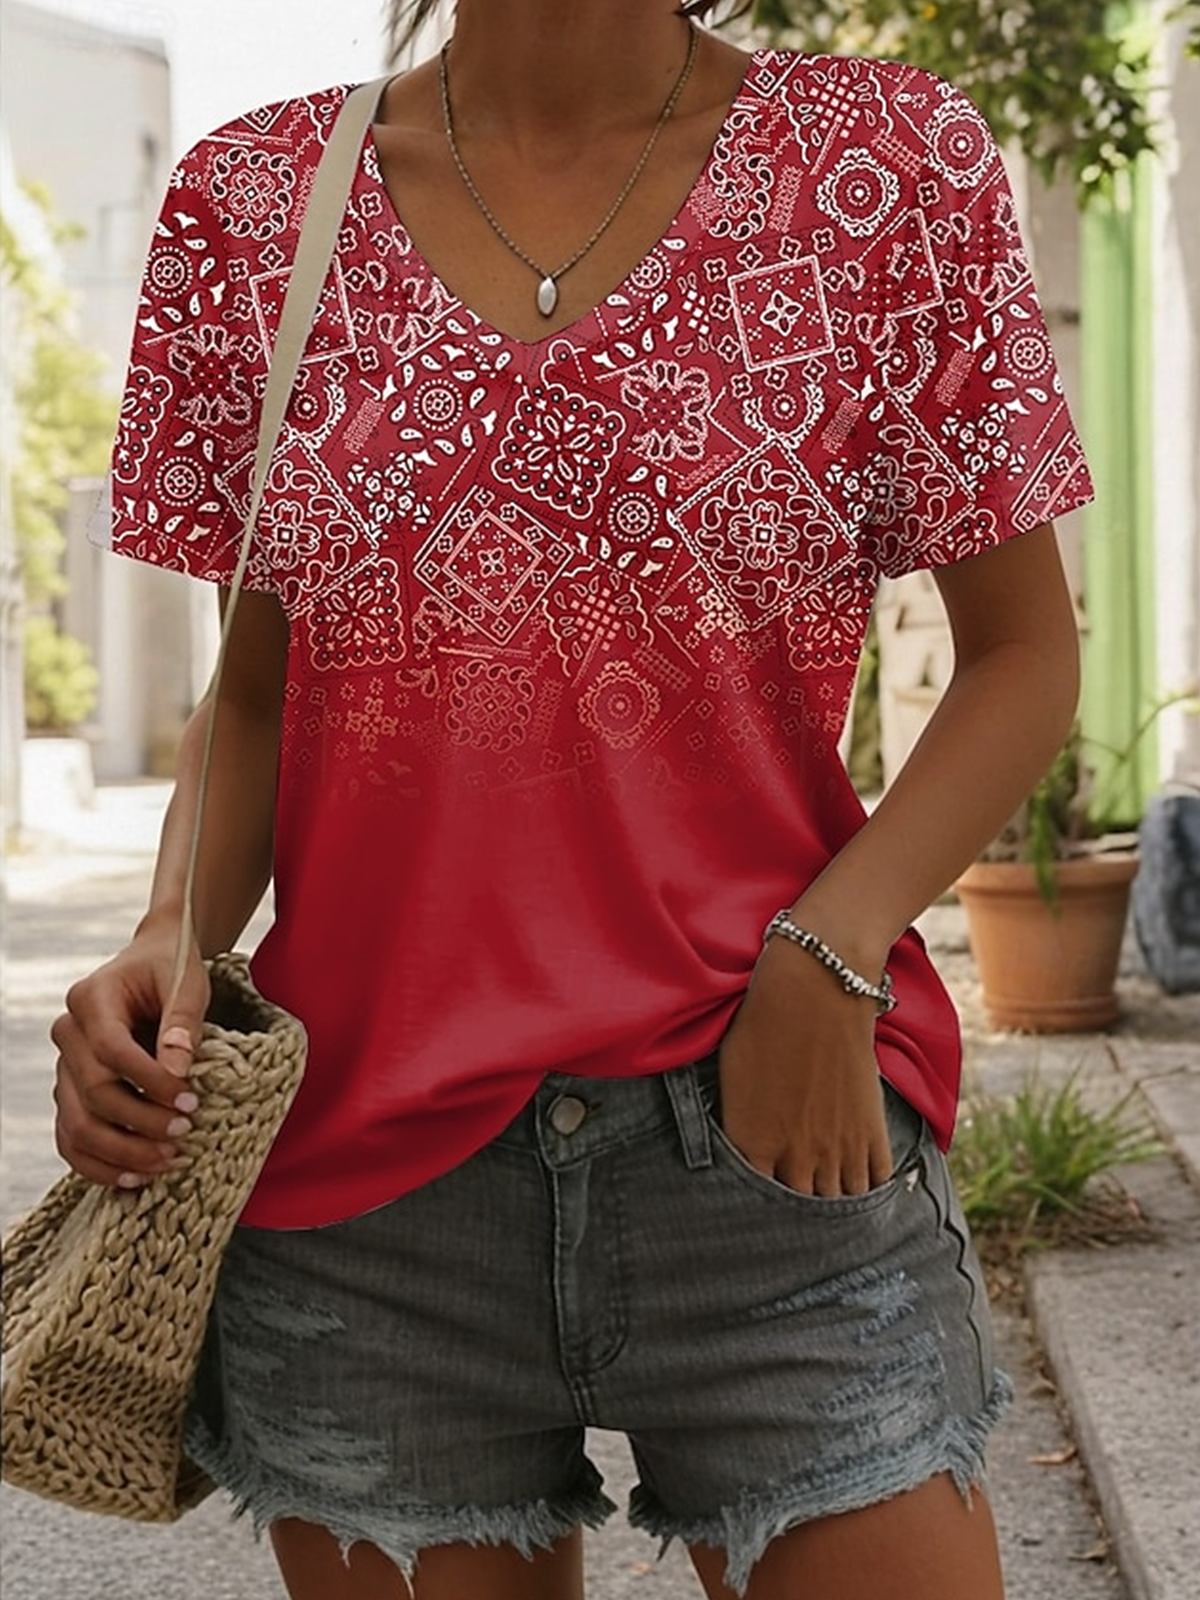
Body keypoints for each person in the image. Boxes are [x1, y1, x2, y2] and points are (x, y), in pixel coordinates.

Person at [52, 1, 1094, 1595]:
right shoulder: (255, 203)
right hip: (371, 1194)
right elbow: (259, 693)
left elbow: (1022, 655)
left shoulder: (885, 167)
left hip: (773, 1138)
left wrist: (834, 950)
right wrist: (166, 941)